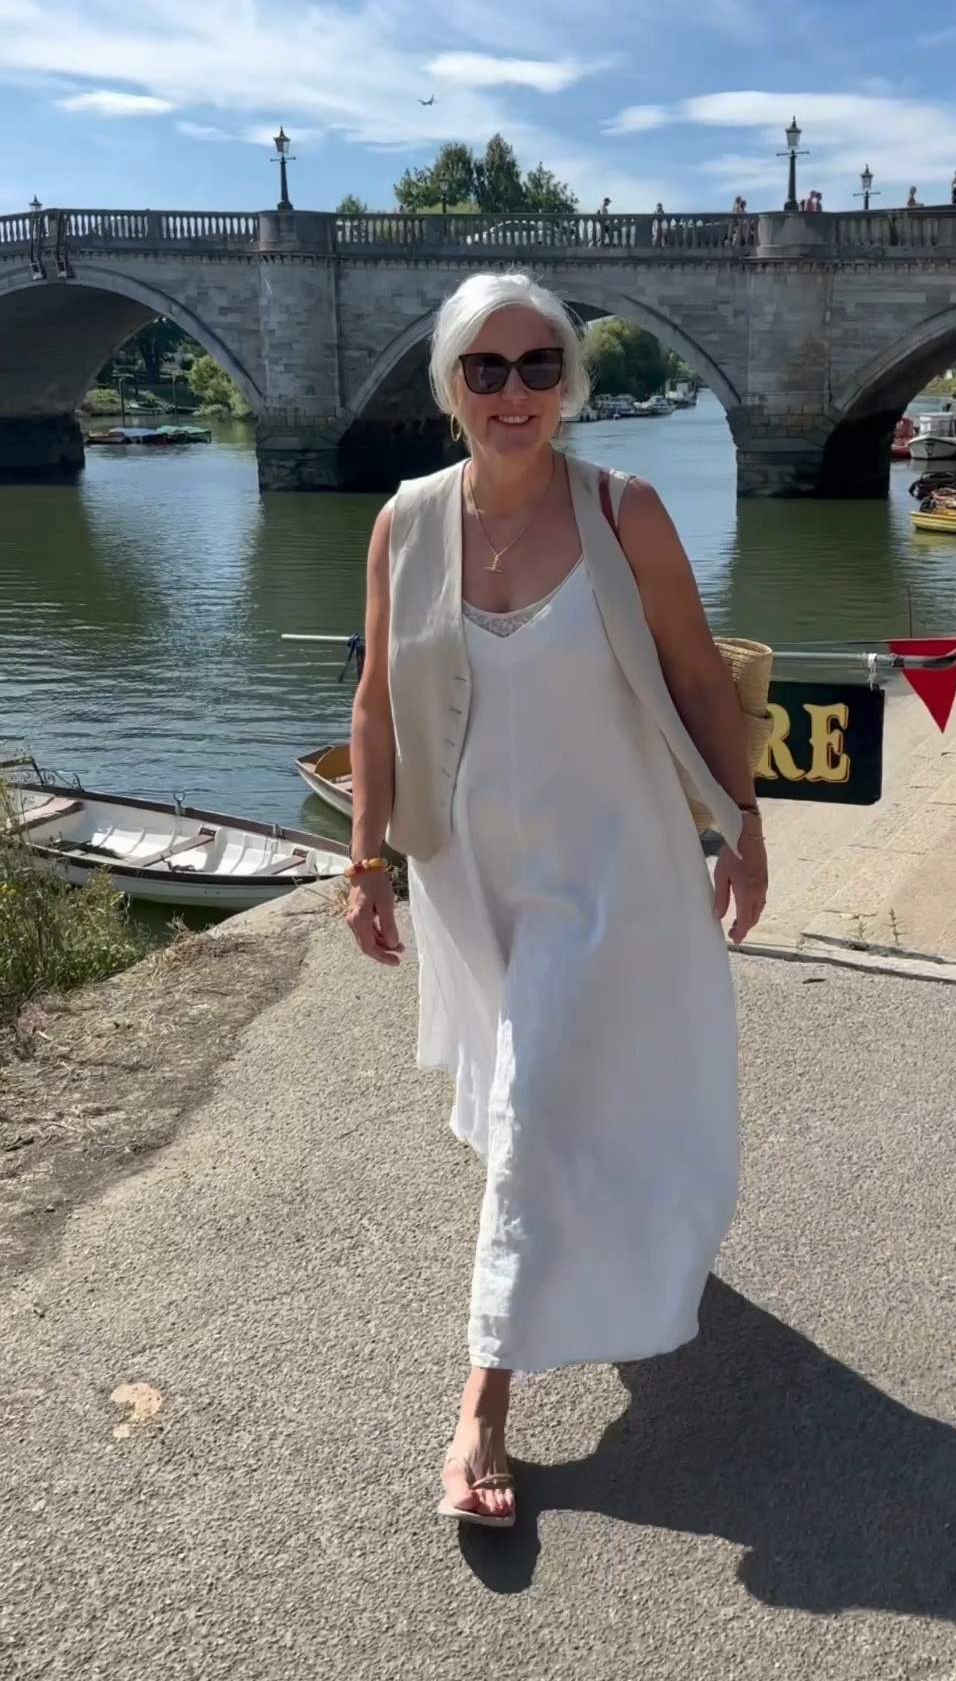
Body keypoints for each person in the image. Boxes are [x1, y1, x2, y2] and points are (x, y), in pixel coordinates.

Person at [346, 272, 768, 1528]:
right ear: (450, 386)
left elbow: (698, 677)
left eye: (540, 367)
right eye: (489, 368)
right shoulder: (404, 523)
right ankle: (602, 1234)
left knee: (537, 1095)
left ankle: (484, 1396)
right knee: (533, 1079)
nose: (515, 391)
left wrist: (742, 827)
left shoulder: (623, 511)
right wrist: (363, 859)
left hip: (615, 862)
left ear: (571, 386)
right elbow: (373, 705)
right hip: (468, 868)